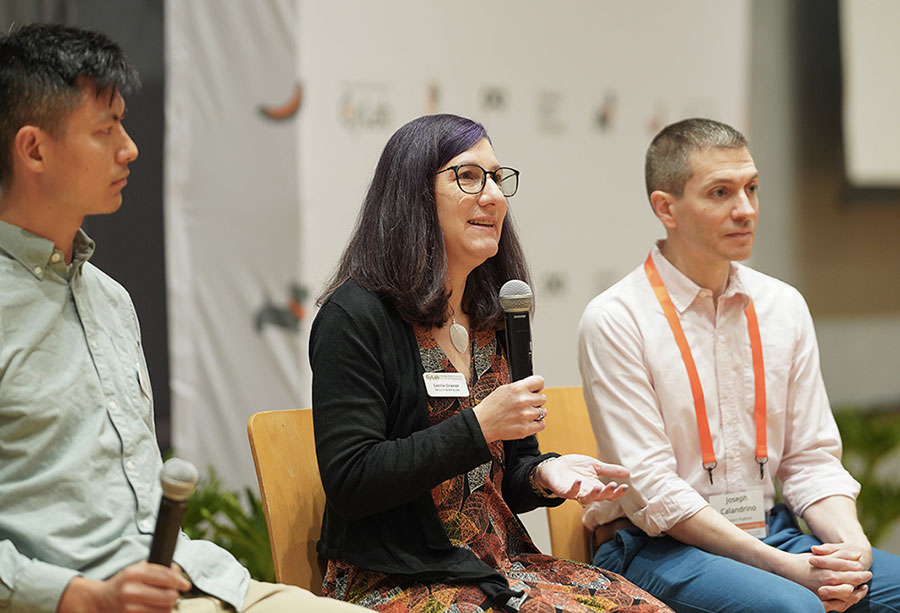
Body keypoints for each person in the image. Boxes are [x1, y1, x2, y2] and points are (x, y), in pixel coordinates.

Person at [0, 22, 365, 613]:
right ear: (34, 149)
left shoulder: (110, 300)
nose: (129, 148)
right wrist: (77, 595)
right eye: (105, 129)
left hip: (199, 581)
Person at [309, 113, 671, 612]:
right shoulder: (354, 316)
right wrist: (479, 425)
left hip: (496, 564)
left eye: (498, 178)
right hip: (398, 576)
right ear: (412, 193)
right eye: (469, 176)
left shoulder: (492, 312)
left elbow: (509, 472)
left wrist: (543, 474)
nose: (495, 196)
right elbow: (352, 480)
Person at [577, 117, 900, 612]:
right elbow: (655, 490)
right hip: (656, 545)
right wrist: (787, 570)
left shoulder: (782, 305)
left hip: (768, 530)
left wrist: (852, 550)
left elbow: (810, 459)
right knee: (793, 607)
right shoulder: (616, 318)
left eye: (751, 188)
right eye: (720, 193)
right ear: (666, 208)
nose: (745, 209)